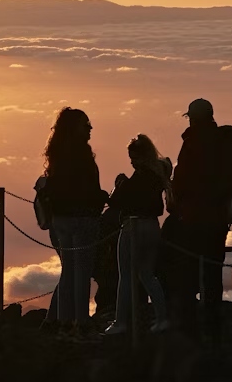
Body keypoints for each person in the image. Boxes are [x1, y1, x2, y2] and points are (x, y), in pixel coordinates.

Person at [167, 98, 232, 341]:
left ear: (193, 118)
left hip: (193, 217)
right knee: (213, 269)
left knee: (190, 269)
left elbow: (180, 179)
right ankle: (213, 320)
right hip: (217, 216)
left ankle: (192, 324)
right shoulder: (225, 143)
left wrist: (178, 202)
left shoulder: (191, 144)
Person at [42, 108, 108, 328]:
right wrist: (102, 198)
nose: (90, 129)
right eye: (85, 125)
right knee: (82, 272)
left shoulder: (58, 155)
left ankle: (62, 321)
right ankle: (80, 321)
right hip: (83, 219)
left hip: (61, 220)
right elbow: (88, 190)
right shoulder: (81, 155)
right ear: (75, 128)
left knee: (69, 272)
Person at [104, 135, 172, 335]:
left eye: (133, 157)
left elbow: (117, 201)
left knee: (126, 276)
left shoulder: (138, 178)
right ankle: (162, 318)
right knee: (148, 275)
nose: (131, 161)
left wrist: (120, 184)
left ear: (140, 156)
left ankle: (120, 322)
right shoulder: (158, 175)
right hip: (152, 226)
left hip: (133, 226)